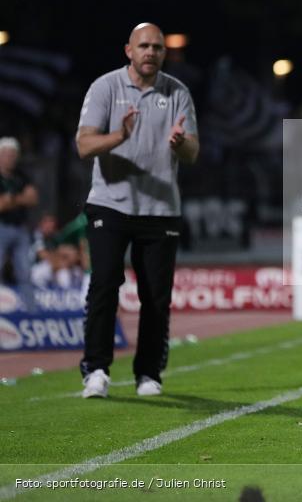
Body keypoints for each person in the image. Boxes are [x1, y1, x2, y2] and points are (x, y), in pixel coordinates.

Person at [75, 23, 199, 399]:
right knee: (105, 284)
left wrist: (178, 144)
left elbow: (193, 153)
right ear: (128, 50)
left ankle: (149, 374)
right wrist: (120, 137)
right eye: (144, 46)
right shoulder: (105, 87)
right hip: (110, 203)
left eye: (157, 47)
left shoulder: (177, 92)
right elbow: (84, 145)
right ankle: (96, 370)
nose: (151, 52)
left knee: (156, 297)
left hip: (161, 209)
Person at [0, 136, 39, 313]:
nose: (11, 157)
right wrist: (20, 198)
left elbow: (33, 199)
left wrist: (11, 199)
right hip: (1, 227)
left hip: (20, 229)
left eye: (13, 154)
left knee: (25, 271)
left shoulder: (21, 175)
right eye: (7, 154)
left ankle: (31, 313)